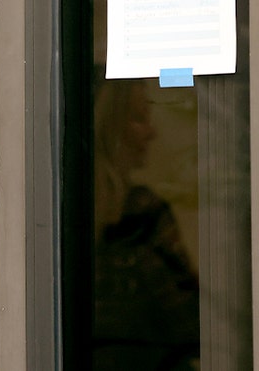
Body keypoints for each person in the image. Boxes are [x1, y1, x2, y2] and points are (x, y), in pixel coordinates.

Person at [92, 79, 198, 370]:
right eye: (138, 118)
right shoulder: (142, 216)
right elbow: (188, 320)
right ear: (109, 126)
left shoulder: (67, 211)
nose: (151, 133)